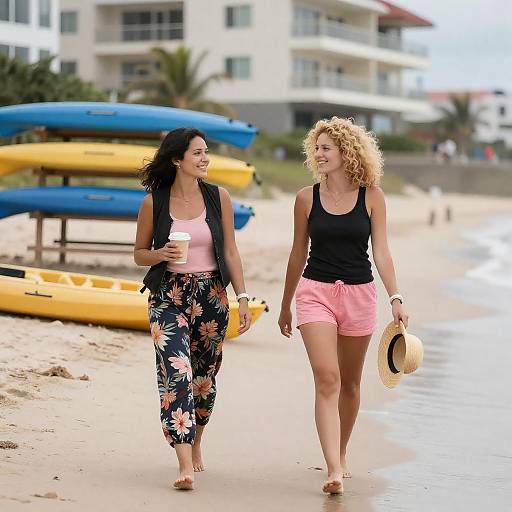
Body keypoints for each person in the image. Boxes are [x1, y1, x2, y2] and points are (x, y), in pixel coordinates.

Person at [278, 117, 408, 495]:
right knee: (327, 377)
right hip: (315, 292)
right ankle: (333, 468)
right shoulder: (306, 198)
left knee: (350, 384)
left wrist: (395, 297)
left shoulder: (372, 197)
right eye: (315, 148)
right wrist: (286, 304)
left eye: (325, 148)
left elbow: (381, 252)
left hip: (359, 294)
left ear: (345, 152)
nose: (318, 154)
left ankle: (342, 451)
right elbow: (297, 254)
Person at [134, 128, 252, 491]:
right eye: (197, 153)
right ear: (177, 160)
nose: (205, 159)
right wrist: (161, 254)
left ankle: (197, 440)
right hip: (168, 295)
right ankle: (184, 463)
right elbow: (139, 254)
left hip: (212, 295)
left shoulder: (219, 198)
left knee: (203, 379)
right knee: (177, 374)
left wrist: (243, 298)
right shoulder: (155, 202)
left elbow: (230, 251)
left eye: (206, 153)